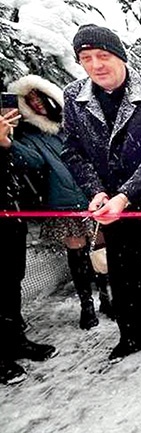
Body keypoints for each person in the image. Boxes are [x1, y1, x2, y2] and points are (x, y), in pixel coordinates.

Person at [61, 24, 141, 362]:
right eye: (86, 58)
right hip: (108, 203)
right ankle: (130, 333)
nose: (96, 65)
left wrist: (125, 195)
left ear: (120, 57)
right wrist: (96, 191)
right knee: (122, 270)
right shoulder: (74, 96)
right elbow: (72, 150)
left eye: (103, 56)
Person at [8, 74, 114, 330]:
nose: (37, 104)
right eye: (30, 100)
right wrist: (7, 141)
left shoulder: (74, 127)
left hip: (92, 198)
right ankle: (86, 305)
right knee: (76, 255)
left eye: (39, 97)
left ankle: (106, 299)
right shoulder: (31, 137)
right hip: (64, 204)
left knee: (100, 253)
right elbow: (30, 161)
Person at [1, 107, 58, 386]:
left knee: (11, 281)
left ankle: (14, 341)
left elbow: (29, 166)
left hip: (10, 218)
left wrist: (4, 144)